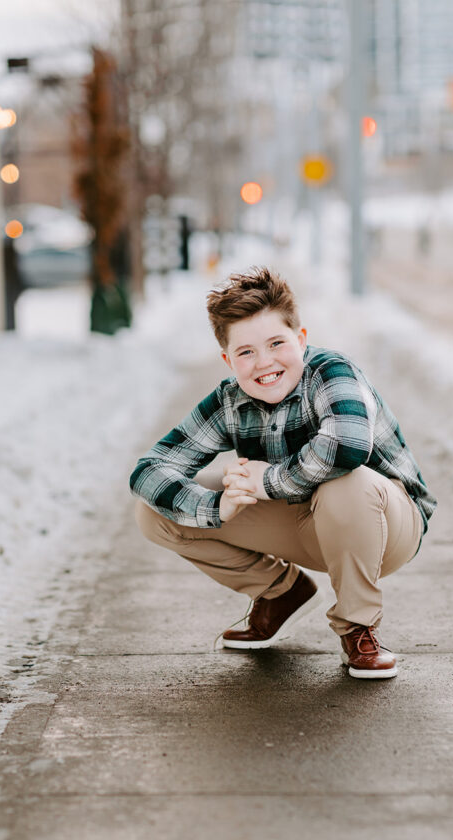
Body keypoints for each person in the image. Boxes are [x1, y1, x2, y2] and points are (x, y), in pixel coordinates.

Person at [130, 267, 437, 679]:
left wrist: (265, 480)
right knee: (154, 511)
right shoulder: (229, 401)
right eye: (246, 352)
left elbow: (347, 446)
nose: (265, 362)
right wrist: (216, 506)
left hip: (386, 525)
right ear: (228, 360)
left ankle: (358, 627)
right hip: (305, 523)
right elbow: (150, 469)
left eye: (277, 343)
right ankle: (280, 592)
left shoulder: (331, 372)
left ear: (301, 339)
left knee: (347, 479)